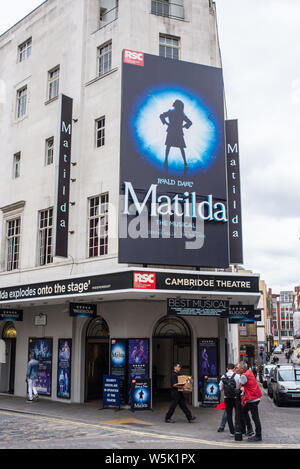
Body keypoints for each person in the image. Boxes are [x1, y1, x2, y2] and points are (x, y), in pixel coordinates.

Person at [160, 100, 192, 174]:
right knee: (178, 147)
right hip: (177, 131)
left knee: (170, 146)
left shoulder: (173, 112)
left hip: (173, 131)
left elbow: (161, 116)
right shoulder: (181, 113)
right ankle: (184, 163)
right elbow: (189, 122)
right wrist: (183, 126)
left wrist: (166, 123)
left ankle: (166, 160)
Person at [236, 361, 262, 442]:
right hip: (254, 397)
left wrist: (241, 388)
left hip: (252, 399)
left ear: (242, 369)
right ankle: (250, 429)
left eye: (238, 368)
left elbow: (239, 386)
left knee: (255, 418)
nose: (236, 369)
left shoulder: (244, 375)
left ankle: (258, 435)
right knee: (244, 411)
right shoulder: (249, 372)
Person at [219, 363, 240, 436]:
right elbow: (238, 387)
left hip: (227, 398)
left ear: (227, 369)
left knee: (229, 414)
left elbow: (221, 389)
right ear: (234, 368)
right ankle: (237, 429)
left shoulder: (223, 376)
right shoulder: (237, 376)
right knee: (237, 413)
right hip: (235, 397)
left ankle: (232, 431)